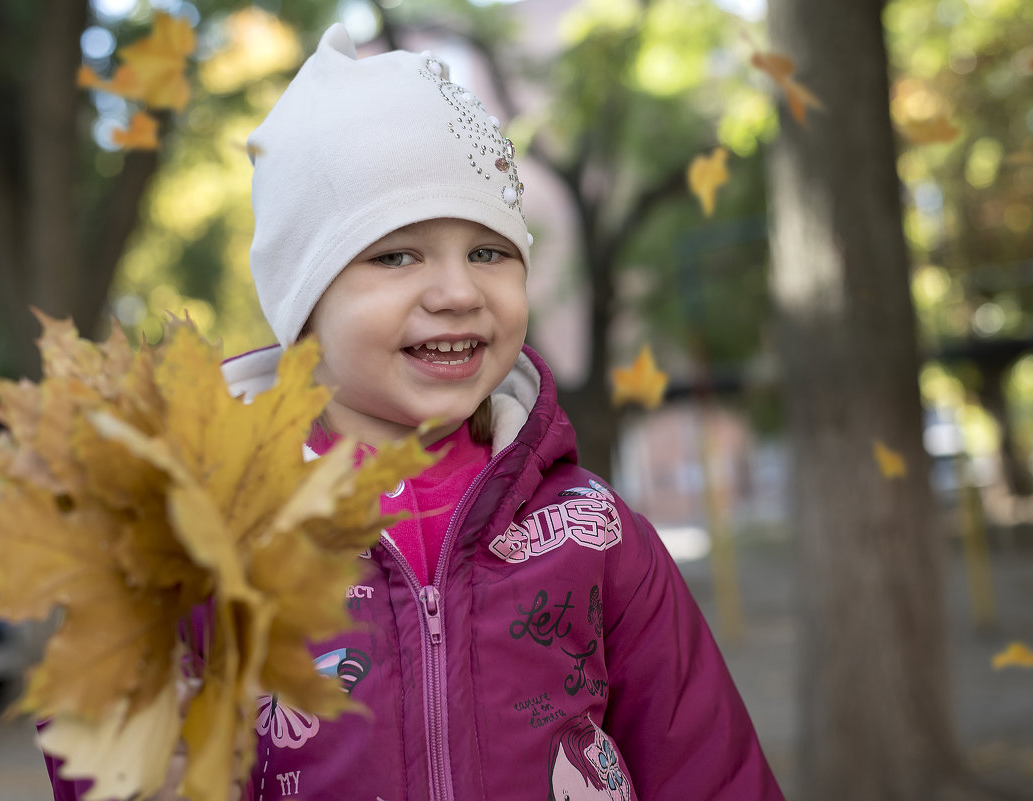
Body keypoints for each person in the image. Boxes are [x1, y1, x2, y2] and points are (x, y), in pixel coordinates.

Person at [42, 23, 784, 801]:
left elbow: (708, 767)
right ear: (305, 309)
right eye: (396, 254)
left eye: (489, 251)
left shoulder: (593, 533)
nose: (458, 291)